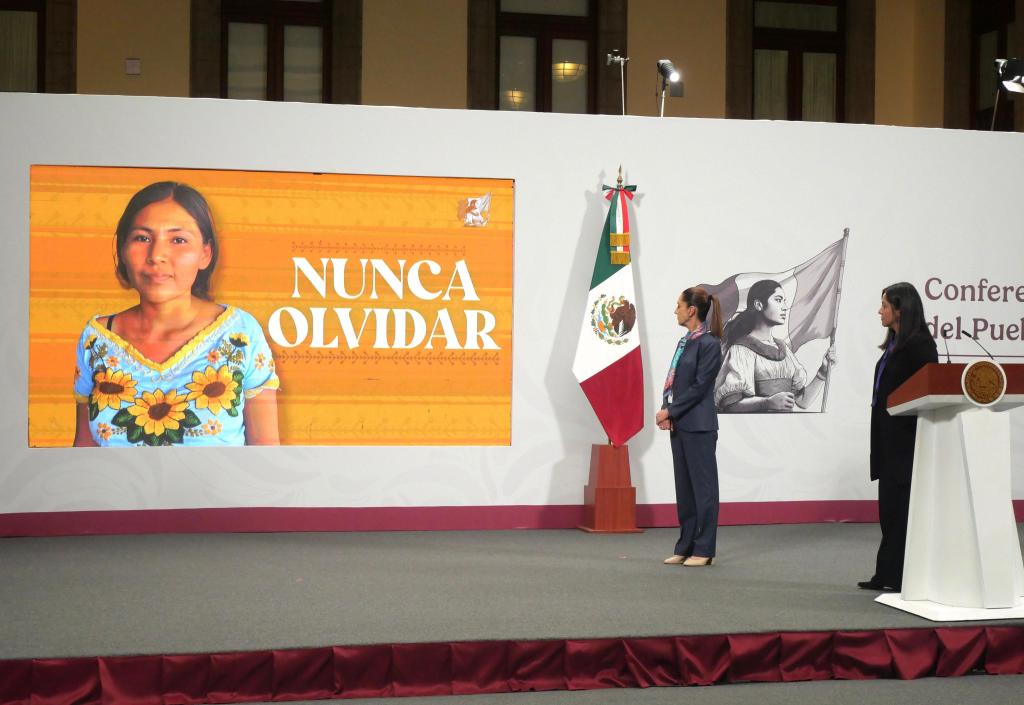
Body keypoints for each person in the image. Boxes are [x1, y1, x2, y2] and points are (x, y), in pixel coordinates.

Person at [72, 181, 280, 447]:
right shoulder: (96, 340)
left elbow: (266, 456)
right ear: (122, 249)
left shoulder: (240, 334)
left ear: (205, 254)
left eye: (178, 240)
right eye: (142, 238)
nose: (157, 255)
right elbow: (82, 457)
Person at [858, 282, 938, 591]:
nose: (879, 310)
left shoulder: (920, 346)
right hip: (887, 439)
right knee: (889, 511)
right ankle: (887, 574)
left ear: (900, 309)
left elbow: (929, 391)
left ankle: (899, 576)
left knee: (900, 511)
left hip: (905, 441)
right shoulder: (893, 345)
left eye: (884, 305)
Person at [656, 287, 724, 567]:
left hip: (699, 426)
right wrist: (668, 410)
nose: (676, 310)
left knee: (704, 489)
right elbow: (673, 380)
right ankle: (685, 545)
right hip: (680, 424)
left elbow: (699, 388)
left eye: (679, 305)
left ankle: (704, 549)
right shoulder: (685, 342)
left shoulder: (709, 343)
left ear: (692, 310)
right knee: (684, 490)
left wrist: (670, 410)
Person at [714, 279, 836, 412]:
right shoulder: (741, 350)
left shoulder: (783, 349)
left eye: (784, 301)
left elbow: (802, 401)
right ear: (759, 305)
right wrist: (766, 403)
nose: (784, 306)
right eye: (778, 300)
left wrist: (822, 373)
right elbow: (730, 405)